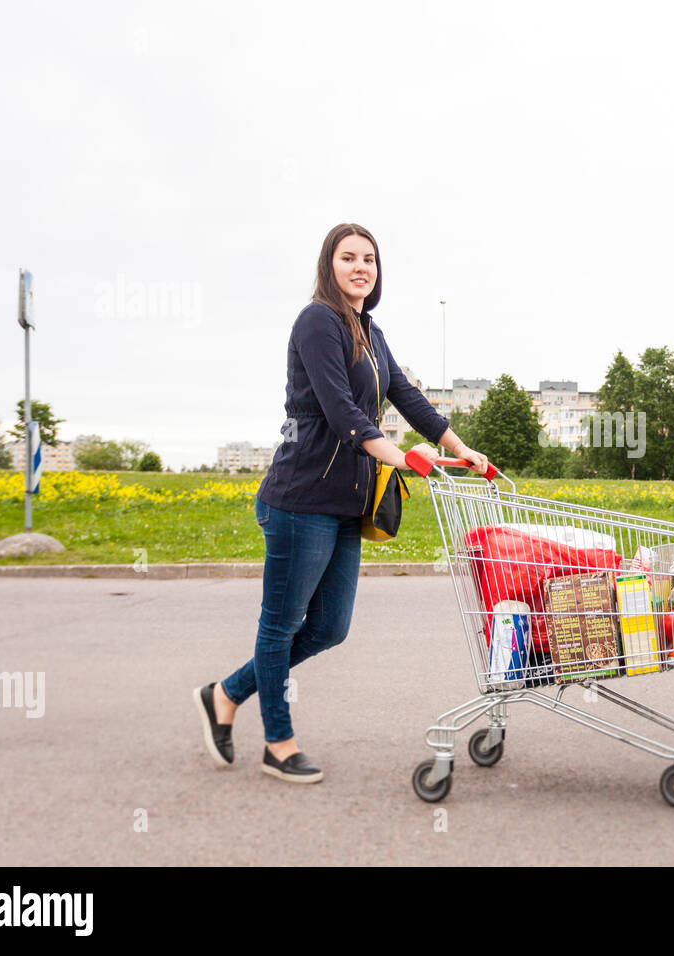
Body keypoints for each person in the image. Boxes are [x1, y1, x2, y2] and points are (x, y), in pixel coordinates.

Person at [193, 222, 489, 784]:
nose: (360, 267)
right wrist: (400, 457)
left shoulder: (369, 331)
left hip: (347, 502)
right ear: (329, 265)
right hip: (300, 498)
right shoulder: (317, 322)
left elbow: (405, 395)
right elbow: (340, 413)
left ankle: (225, 695)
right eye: (348, 257)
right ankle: (278, 742)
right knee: (280, 626)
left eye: (369, 260)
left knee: (330, 626)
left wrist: (459, 447)